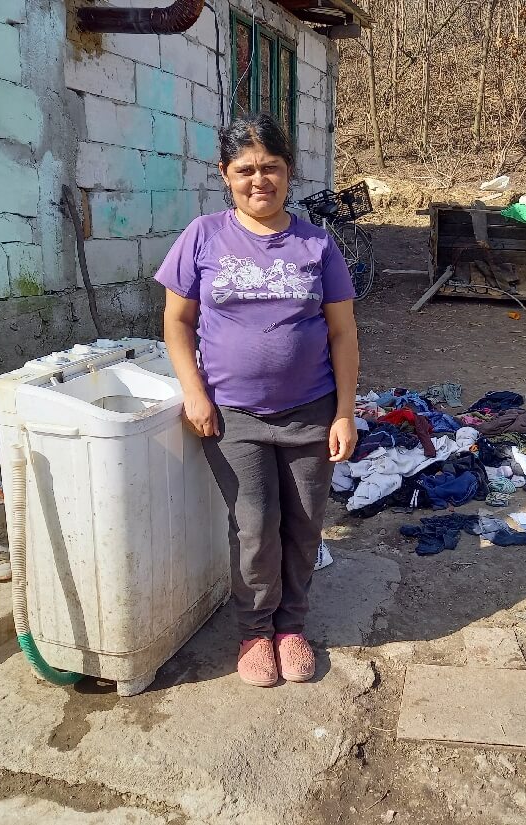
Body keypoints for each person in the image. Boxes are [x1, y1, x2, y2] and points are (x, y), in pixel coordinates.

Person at [154, 113, 360, 687]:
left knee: (303, 523)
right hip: (233, 417)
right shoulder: (202, 236)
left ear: (288, 172)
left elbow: (343, 333)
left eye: (270, 167)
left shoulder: (317, 243)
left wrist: (345, 412)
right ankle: (254, 632)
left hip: (311, 412)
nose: (258, 179)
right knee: (253, 525)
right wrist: (193, 392)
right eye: (245, 169)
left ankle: (291, 627)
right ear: (226, 175)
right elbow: (177, 323)